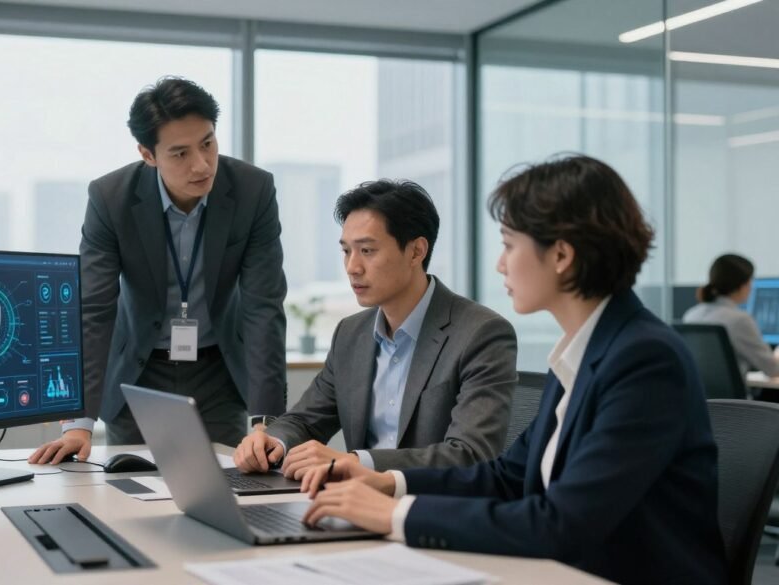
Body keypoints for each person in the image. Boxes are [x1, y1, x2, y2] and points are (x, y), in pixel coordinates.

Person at [298, 155, 726, 585]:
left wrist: (394, 514)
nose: (501, 264)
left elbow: (559, 525)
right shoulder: (584, 351)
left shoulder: (644, 359)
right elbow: (507, 477)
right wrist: (387, 481)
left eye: (508, 244)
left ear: (560, 254)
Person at [30, 77, 287, 464]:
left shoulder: (253, 191)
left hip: (218, 372)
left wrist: (266, 420)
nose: (201, 165)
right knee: (127, 489)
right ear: (148, 155)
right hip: (138, 372)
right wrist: (79, 422)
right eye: (180, 153)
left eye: (207, 143)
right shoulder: (110, 198)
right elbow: (94, 309)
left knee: (230, 488)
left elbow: (263, 307)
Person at [233, 180, 517, 478]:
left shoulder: (481, 334)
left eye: (367, 250)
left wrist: (357, 462)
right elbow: (304, 420)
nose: (352, 267)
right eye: (346, 251)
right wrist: (272, 441)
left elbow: (469, 455)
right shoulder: (351, 333)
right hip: (353, 505)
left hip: (428, 508)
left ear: (416, 251)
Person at [683, 253, 779, 377]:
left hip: (701, 396)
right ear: (743, 285)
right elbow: (773, 370)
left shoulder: (691, 315)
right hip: (734, 397)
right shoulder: (740, 320)